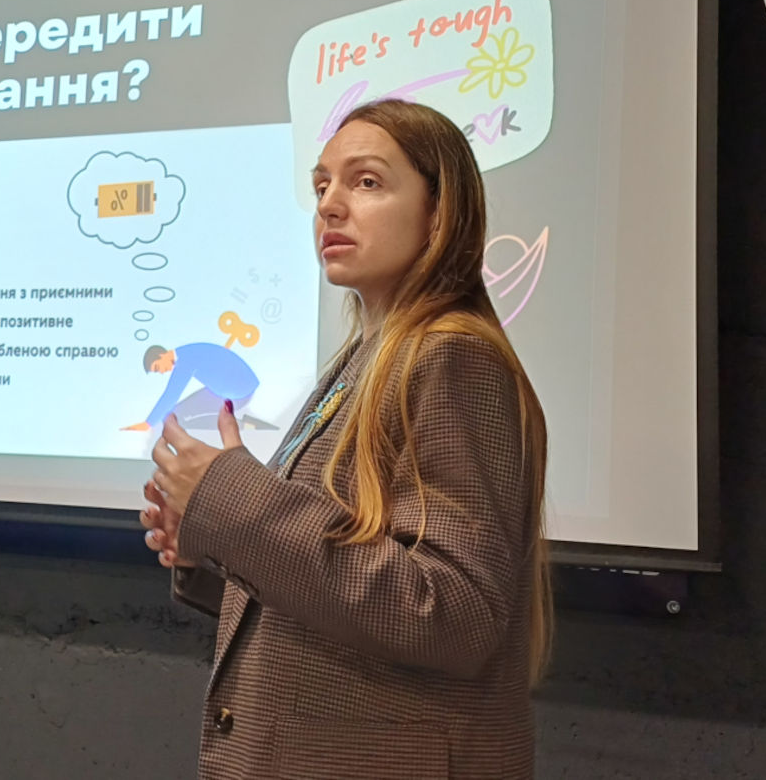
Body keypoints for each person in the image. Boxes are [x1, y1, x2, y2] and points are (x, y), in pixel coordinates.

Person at [140, 98, 551, 780]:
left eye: (366, 182)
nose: (330, 206)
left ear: (440, 212)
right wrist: (212, 544)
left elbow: (454, 612)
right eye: (321, 185)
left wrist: (235, 501)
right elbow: (338, 596)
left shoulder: (451, 355)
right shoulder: (364, 358)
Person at [124, 343, 260, 433]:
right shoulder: (185, 353)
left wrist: (148, 424)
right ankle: (247, 425)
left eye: (157, 367)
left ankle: (246, 427)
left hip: (240, 391)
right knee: (177, 412)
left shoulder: (185, 358)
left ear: (162, 355)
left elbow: (171, 394)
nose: (161, 372)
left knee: (177, 414)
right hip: (234, 387)